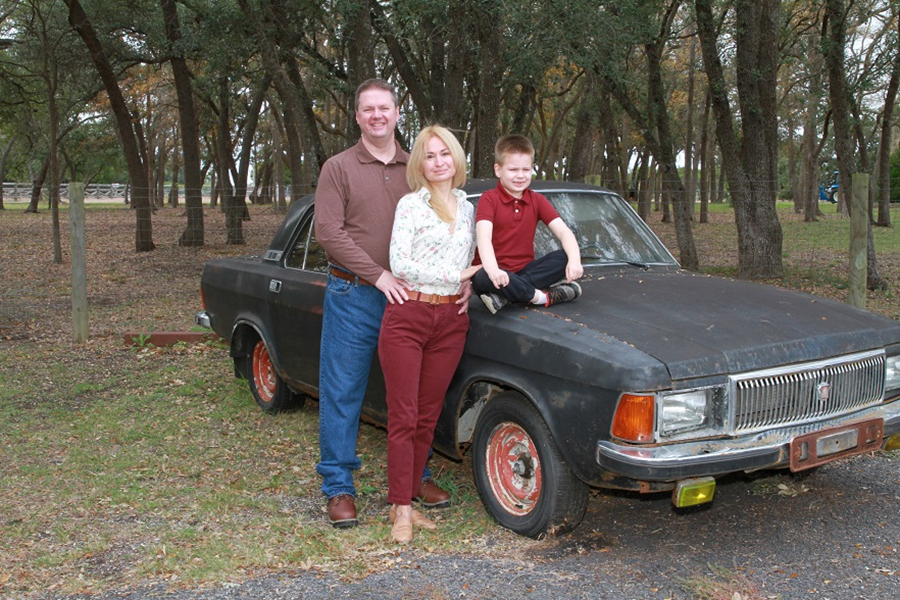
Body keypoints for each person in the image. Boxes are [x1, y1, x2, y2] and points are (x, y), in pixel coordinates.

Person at [314, 80, 468, 529]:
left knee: (416, 399)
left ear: (398, 113)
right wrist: (378, 275)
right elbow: (329, 232)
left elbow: (455, 229)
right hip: (357, 294)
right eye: (368, 109)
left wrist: (467, 279)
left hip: (420, 300)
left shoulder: (419, 166)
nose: (377, 115)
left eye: (385, 107)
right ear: (357, 116)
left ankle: (413, 480)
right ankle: (339, 486)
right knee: (344, 390)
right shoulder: (338, 167)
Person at [378, 125, 479, 544]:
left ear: (456, 159)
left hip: (451, 320)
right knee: (403, 415)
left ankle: (411, 498)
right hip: (409, 315)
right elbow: (399, 262)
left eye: (445, 154)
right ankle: (400, 508)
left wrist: (469, 285)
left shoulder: (471, 208)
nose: (439, 162)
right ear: (419, 163)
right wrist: (455, 275)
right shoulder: (411, 205)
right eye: (430, 155)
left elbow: (474, 258)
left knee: (427, 415)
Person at [472, 134, 584, 314]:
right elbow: (483, 237)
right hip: (493, 273)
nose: (520, 176)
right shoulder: (489, 199)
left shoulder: (537, 200)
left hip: (525, 270)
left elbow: (564, 233)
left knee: (564, 256)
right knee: (481, 276)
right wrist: (493, 270)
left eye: (526, 170)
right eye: (513, 170)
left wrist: (575, 261)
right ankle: (542, 297)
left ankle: (506, 295)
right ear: (498, 170)